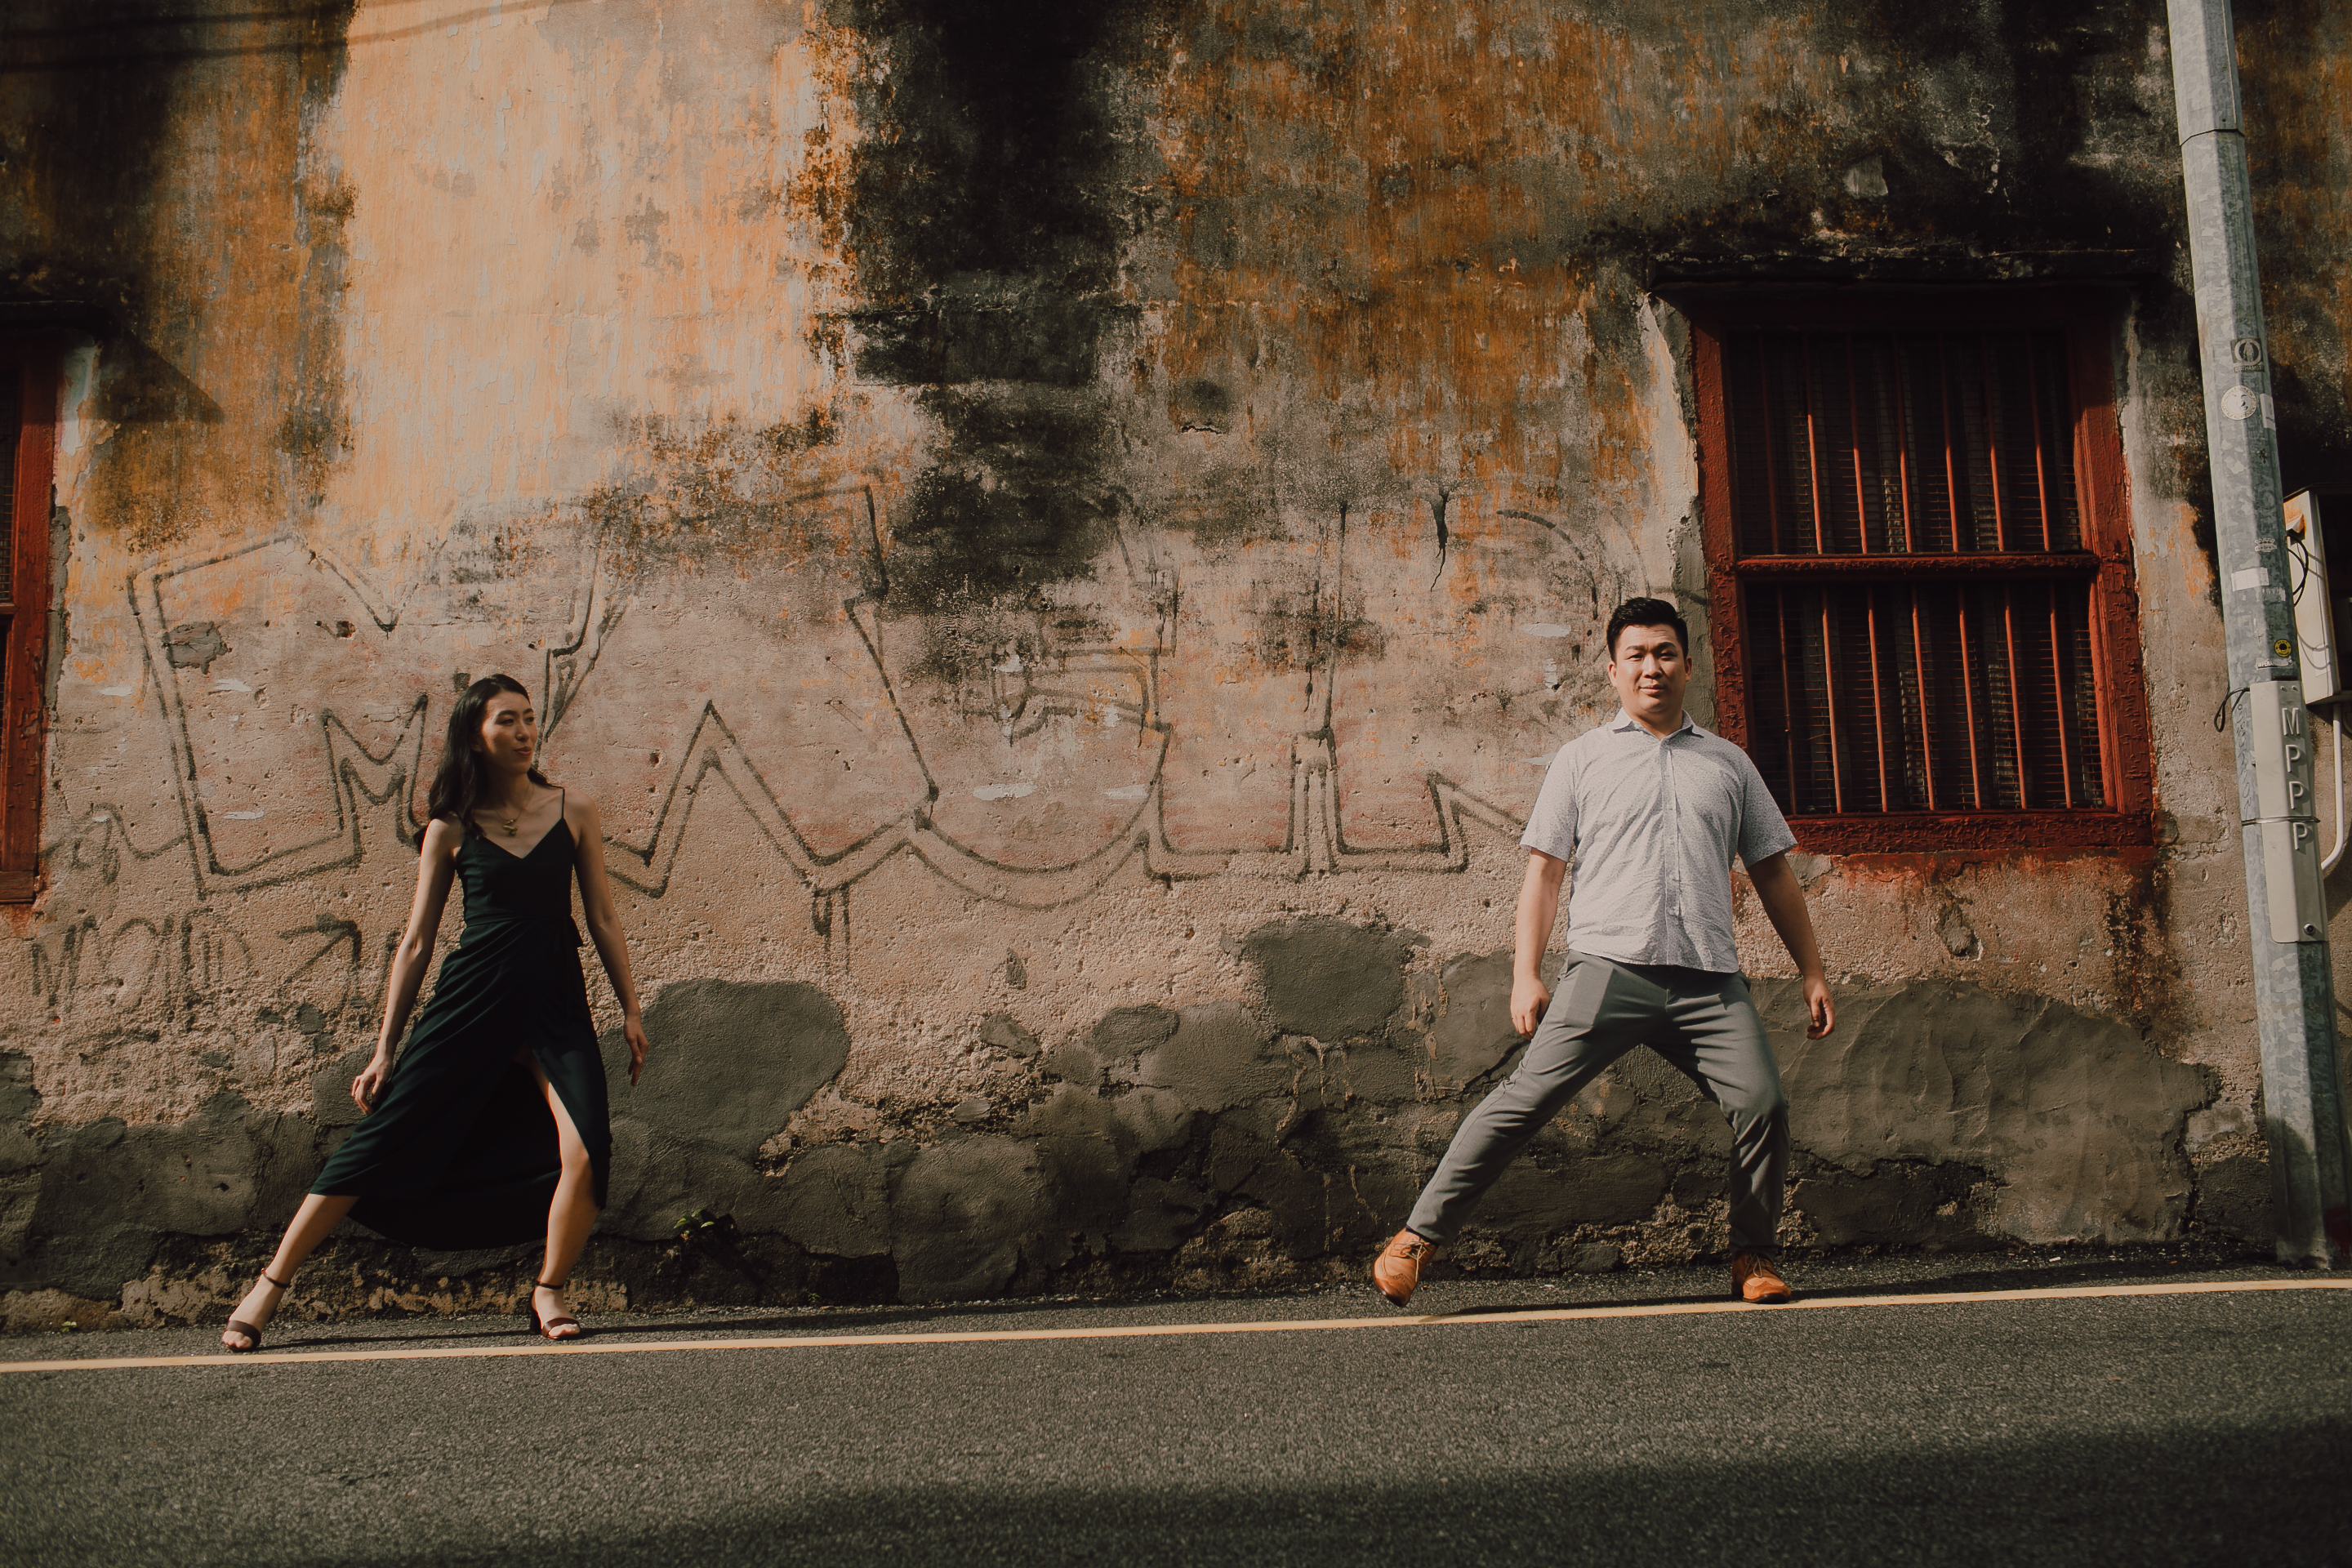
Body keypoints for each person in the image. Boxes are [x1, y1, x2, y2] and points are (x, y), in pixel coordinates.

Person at [1371, 597, 1833, 1308]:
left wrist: (1812, 971)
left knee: (1763, 1104)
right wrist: (1526, 974)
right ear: (1614, 671)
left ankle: (1753, 1254)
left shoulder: (1729, 764)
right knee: (1523, 1101)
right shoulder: (1581, 760)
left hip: (1708, 981)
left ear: (1688, 665)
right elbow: (1544, 873)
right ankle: (1415, 1240)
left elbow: (1773, 872)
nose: (1653, 668)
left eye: (1666, 653)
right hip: (1607, 971)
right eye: (1637, 656)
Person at [220, 675, 649, 1351]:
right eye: (507, 720)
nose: (524, 732)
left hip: (554, 1003)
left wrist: (630, 1006)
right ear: (474, 737)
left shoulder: (574, 811)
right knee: (378, 1140)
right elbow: (417, 942)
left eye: (529, 718)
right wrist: (385, 1049)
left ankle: (549, 1289)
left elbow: (602, 915)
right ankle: (270, 1285)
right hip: (471, 1001)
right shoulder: (450, 828)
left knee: (589, 1147)